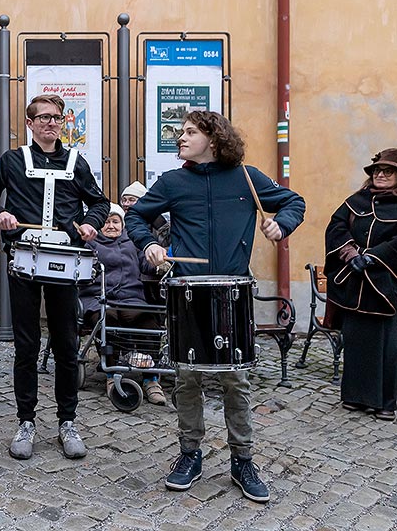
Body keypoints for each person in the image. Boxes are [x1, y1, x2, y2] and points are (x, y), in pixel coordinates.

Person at [126, 110, 305, 503]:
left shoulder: (247, 178)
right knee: (186, 377)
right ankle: (190, 453)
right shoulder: (173, 182)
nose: (181, 138)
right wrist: (150, 244)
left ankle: (243, 459)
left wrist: (281, 224)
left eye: (190, 132)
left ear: (214, 137)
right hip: (188, 289)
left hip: (232, 290)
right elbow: (136, 216)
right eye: (181, 132)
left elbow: (294, 201)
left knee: (234, 380)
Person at [0, 93, 109, 460]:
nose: (51, 123)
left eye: (57, 118)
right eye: (43, 117)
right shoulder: (13, 161)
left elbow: (99, 203)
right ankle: (26, 422)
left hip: (65, 263)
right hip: (23, 262)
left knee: (66, 345)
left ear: (63, 123)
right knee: (26, 345)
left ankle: (67, 421)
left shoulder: (77, 162)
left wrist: (90, 225)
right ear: (30, 124)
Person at [324, 148, 397, 421]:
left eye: (387, 171)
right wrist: (350, 253)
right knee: (355, 342)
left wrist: (374, 258)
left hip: (386, 287)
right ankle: (355, 396)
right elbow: (336, 226)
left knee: (387, 347)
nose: (380, 175)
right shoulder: (357, 200)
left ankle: (385, 402)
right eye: (378, 170)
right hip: (354, 285)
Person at [79, 203, 167, 406]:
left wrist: (158, 263)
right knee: (106, 320)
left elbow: (145, 264)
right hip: (98, 299)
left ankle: (151, 379)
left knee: (149, 322)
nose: (111, 226)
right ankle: (113, 374)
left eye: (115, 221)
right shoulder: (90, 244)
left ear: (122, 224)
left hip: (130, 298)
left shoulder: (131, 242)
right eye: (106, 222)